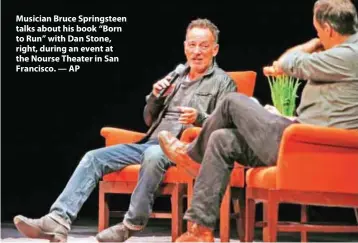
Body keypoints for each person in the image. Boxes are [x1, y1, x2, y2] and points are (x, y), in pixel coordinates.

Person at [13, 18, 237, 242]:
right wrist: (155, 98)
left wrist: (199, 118)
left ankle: (131, 224)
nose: (197, 51)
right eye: (192, 44)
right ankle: (58, 220)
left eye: (204, 45)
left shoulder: (222, 82)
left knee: (153, 154)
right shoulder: (176, 76)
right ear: (185, 46)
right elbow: (148, 120)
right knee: (93, 158)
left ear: (215, 49)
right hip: (151, 142)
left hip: (184, 150)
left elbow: (226, 124)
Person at [158, 0, 358, 242]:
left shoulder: (348, 55)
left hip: (303, 146)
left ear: (328, 29)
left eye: (318, 32)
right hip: (305, 138)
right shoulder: (345, 56)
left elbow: (286, 63)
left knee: (232, 101)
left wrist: (313, 44)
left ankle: (191, 156)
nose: (318, 38)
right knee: (221, 140)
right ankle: (200, 231)